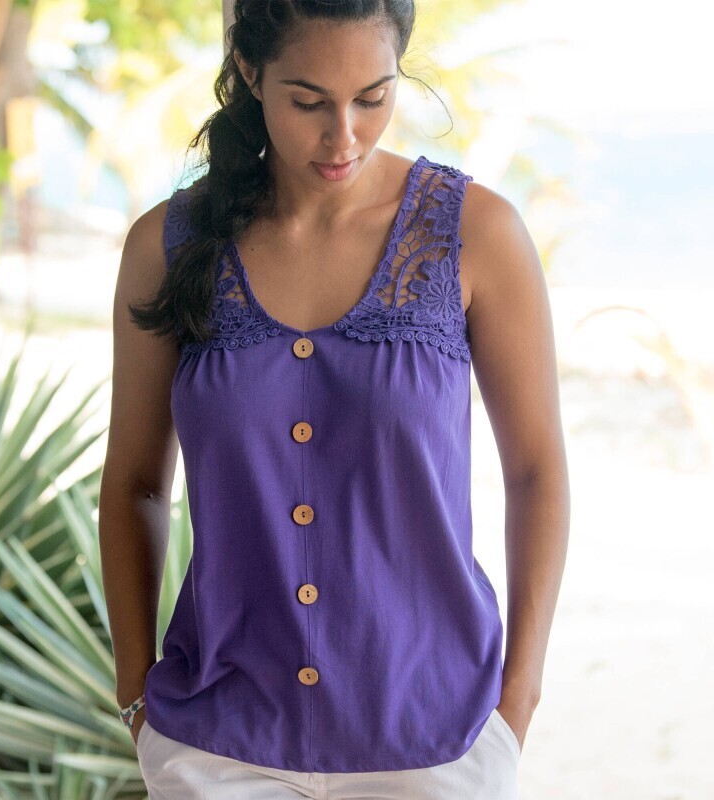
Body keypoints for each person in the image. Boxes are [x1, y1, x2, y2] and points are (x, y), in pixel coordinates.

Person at [98, 0, 570, 797]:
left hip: (435, 742)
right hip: (216, 747)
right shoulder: (168, 246)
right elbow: (135, 482)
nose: (343, 135)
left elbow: (537, 472)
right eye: (308, 101)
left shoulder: (476, 236)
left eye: (372, 98)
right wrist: (136, 696)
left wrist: (516, 702)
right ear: (251, 72)